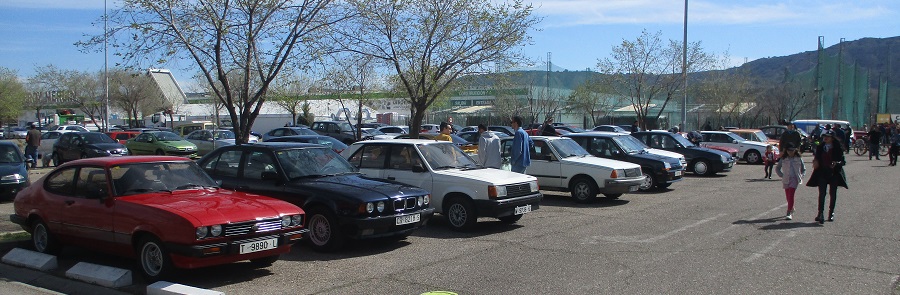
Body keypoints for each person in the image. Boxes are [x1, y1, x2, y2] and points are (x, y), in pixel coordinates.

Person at [806, 131, 847, 224]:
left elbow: (843, 162)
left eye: (828, 136)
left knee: (833, 193)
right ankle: (820, 213)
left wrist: (836, 163)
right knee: (822, 193)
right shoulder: (820, 147)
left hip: (834, 173)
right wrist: (815, 161)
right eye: (824, 136)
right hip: (822, 172)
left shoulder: (837, 148)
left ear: (832, 138)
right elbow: (817, 158)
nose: (825, 138)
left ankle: (831, 212)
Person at [776, 144, 805, 220]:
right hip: (786, 178)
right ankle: (791, 207)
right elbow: (777, 168)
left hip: (794, 179)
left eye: (792, 150)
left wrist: (801, 175)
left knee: (791, 194)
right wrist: (781, 175)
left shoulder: (798, 158)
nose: (790, 152)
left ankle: (789, 212)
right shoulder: (784, 158)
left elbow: (803, 169)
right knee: (788, 195)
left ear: (795, 150)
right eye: (788, 150)